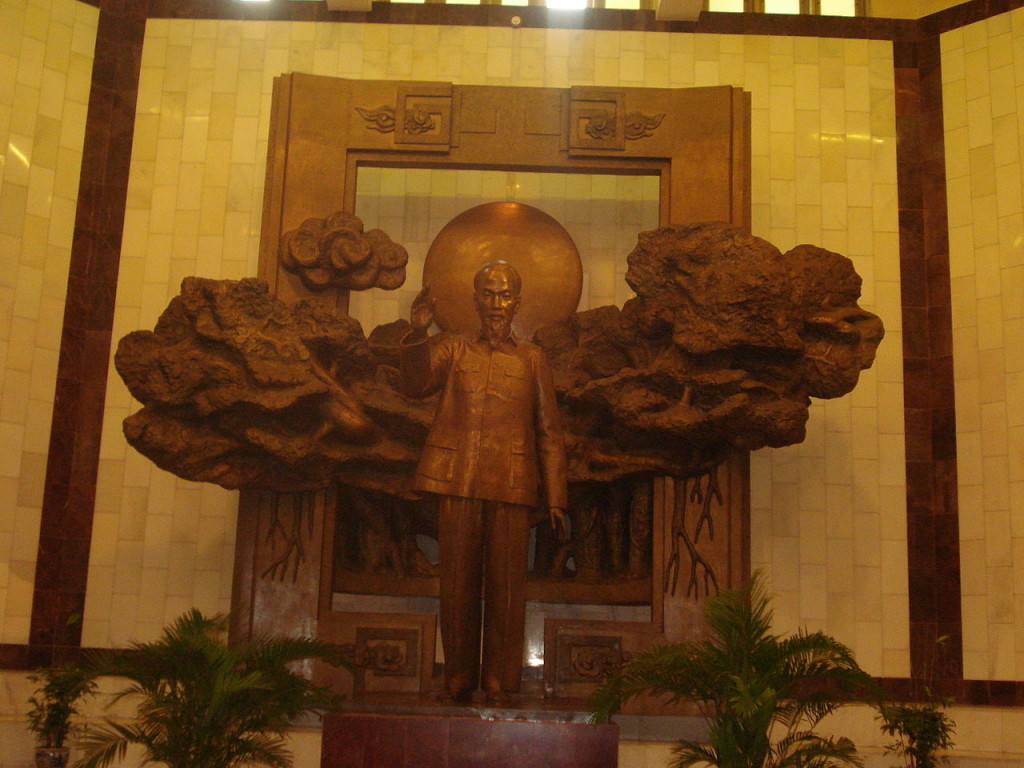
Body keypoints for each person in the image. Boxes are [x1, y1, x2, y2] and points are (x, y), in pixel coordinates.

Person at [400, 260, 568, 704]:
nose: (496, 303)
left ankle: (499, 679)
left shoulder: (532, 359)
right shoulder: (453, 350)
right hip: (457, 482)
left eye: (505, 294)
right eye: (488, 294)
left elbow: (549, 431)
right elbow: (415, 384)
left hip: (512, 485)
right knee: (455, 586)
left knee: (508, 590)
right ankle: (457, 677)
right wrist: (418, 334)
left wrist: (556, 497)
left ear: (518, 300)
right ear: (475, 300)